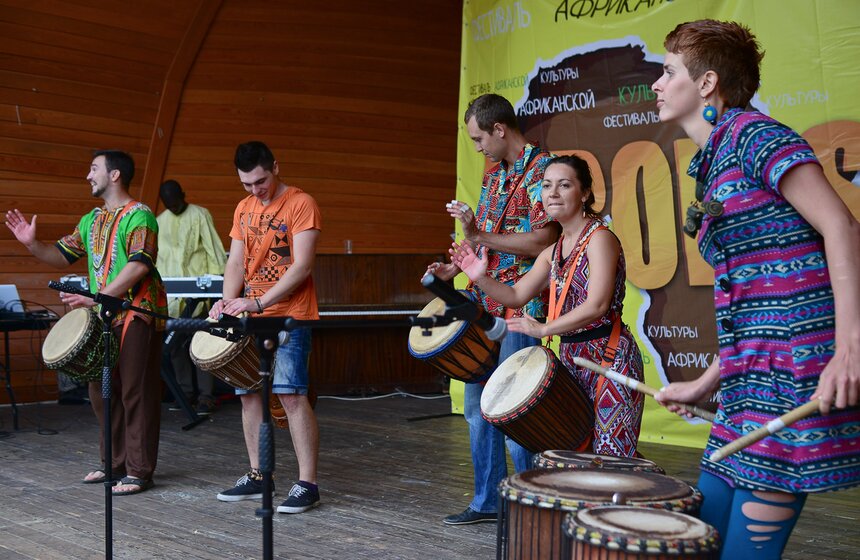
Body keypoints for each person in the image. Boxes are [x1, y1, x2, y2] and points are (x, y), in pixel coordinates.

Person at [650, 20, 860, 560]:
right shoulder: (716, 157)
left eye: (668, 70)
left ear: (705, 83)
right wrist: (704, 384)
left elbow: (841, 226)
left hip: (792, 377)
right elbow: (758, 303)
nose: (656, 82)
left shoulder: (753, 135)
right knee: (704, 542)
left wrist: (849, 349)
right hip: (747, 384)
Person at [451, 155, 644, 457]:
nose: (553, 193)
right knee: (574, 454)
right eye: (547, 185)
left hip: (609, 358)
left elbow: (598, 305)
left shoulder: (599, 239)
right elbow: (516, 296)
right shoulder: (552, 252)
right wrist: (479, 276)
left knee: (610, 459)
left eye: (564, 185)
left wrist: (543, 328)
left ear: (584, 194)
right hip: (570, 359)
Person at [428, 93, 561, 525]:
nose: (478, 147)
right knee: (476, 405)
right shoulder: (492, 176)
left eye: (479, 138)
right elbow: (482, 236)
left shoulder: (546, 171)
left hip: (522, 305)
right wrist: (455, 265)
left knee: (515, 406)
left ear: (500, 129)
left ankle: (530, 503)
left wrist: (480, 238)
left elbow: (543, 240)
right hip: (482, 301)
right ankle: (487, 500)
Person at [5, 150, 167, 496]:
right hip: (105, 316)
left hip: (137, 310)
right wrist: (33, 244)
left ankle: (139, 471)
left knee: (135, 390)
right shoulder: (90, 221)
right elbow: (59, 256)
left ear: (115, 175)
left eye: (94, 169)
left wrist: (99, 296)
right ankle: (113, 464)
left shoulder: (141, 216)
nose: (87, 175)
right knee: (101, 391)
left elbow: (140, 265)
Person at [211, 141, 322, 514]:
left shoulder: (300, 202)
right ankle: (260, 477)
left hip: (292, 313)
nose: (255, 190)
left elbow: (302, 265)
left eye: (260, 181)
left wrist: (259, 302)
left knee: (290, 395)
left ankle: (308, 483)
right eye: (246, 184)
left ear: (275, 166)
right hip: (251, 316)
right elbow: (236, 263)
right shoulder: (243, 208)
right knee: (247, 394)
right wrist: (227, 302)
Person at [157, 179, 227, 414]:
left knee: (201, 345)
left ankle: (206, 396)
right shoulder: (159, 222)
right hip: (172, 298)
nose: (174, 208)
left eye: (176, 203)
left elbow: (214, 249)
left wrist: (219, 287)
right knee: (176, 346)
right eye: (169, 205)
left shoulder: (200, 214)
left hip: (201, 295)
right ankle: (185, 393)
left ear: (184, 194)